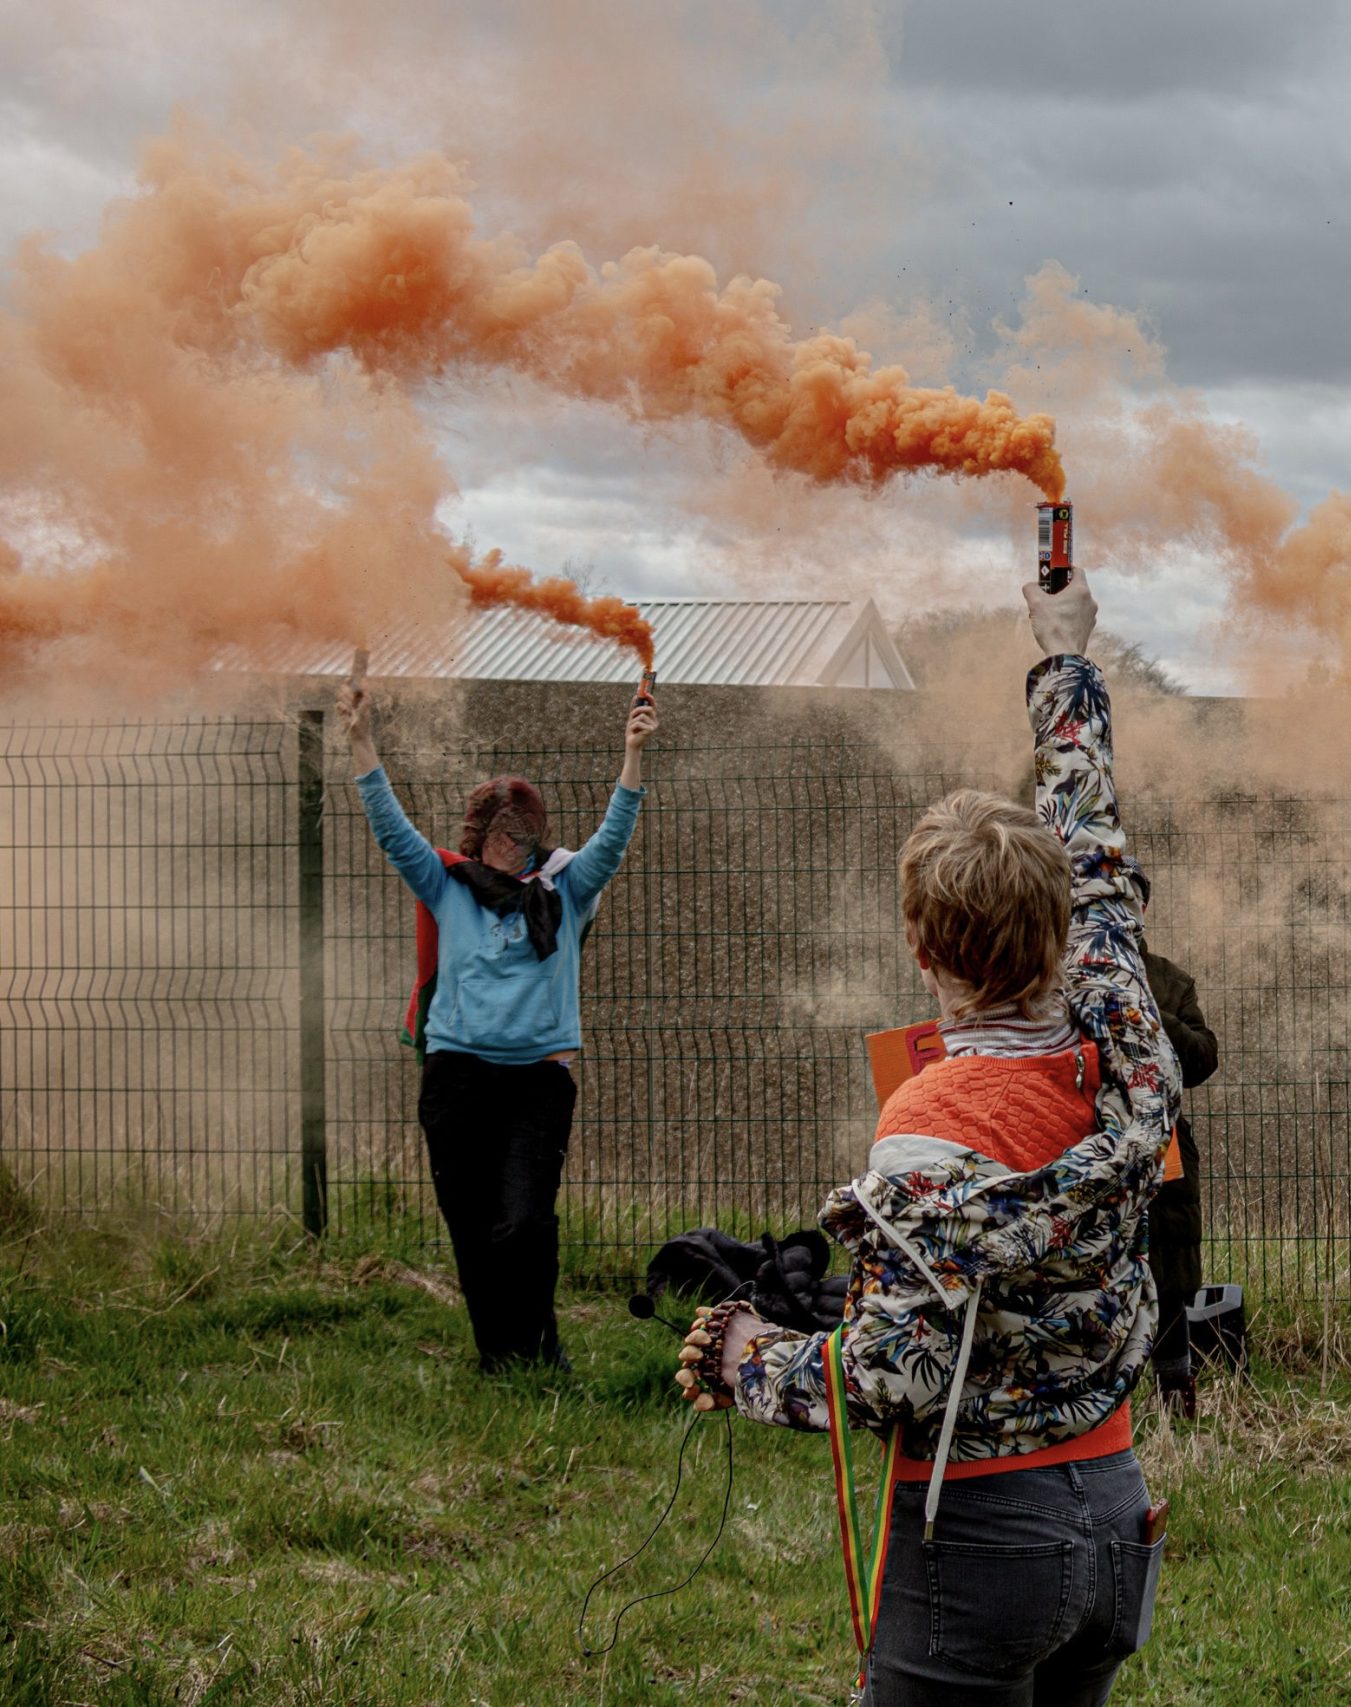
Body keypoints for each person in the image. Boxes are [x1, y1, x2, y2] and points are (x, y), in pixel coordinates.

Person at [678, 571, 1178, 1706]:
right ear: (1061, 922)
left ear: (920, 944)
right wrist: (1062, 655)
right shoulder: (1126, 1033)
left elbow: (890, 1379)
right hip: (1110, 1517)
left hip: (984, 1549)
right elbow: (1090, 828)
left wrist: (748, 1357)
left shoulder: (929, 1136)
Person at [338, 672, 656, 1374]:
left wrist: (632, 754)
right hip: (456, 1079)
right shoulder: (444, 882)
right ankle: (501, 1358)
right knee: (474, 1227)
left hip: (538, 1082)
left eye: (526, 830)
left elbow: (615, 834)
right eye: (502, 830)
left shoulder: (568, 888)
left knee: (526, 1221)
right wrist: (362, 742)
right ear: (479, 835)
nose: (515, 842)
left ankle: (540, 1344)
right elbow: (391, 829)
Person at [1142, 944, 1218, 1418]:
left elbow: (1202, 1060)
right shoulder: (1046, 966)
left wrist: (1149, 1015)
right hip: (1074, 1134)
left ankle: (1174, 1401)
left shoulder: (1169, 980)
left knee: (1168, 1274)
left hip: (1160, 1138)